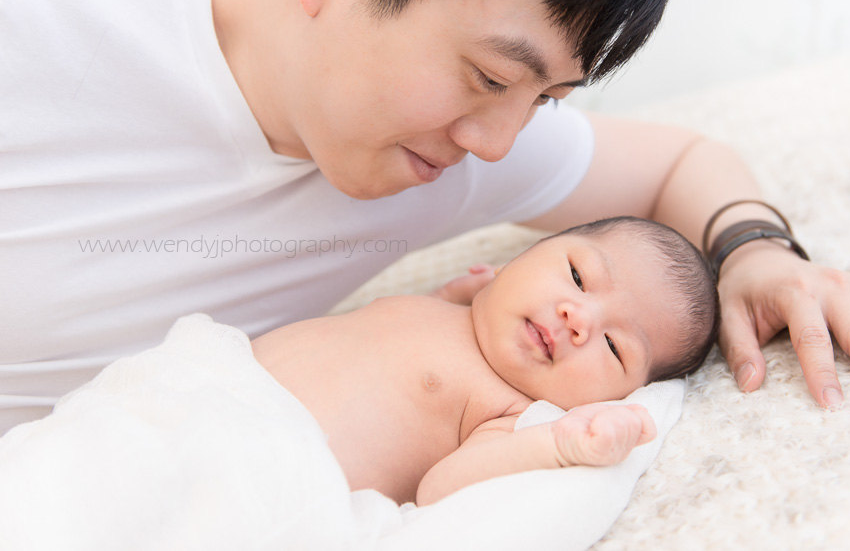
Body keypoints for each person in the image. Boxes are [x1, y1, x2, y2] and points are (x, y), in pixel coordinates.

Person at [0, 0, 850, 433]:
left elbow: (677, 163)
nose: (498, 143)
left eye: (545, 99)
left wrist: (754, 252)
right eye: (492, 76)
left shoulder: (434, 158)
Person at [252, 215, 720, 504]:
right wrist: (449, 297)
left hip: (260, 476)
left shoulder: (504, 412)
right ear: (522, 254)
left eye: (615, 348)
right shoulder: (441, 307)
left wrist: (559, 446)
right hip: (209, 381)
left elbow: (441, 490)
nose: (578, 318)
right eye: (577, 276)